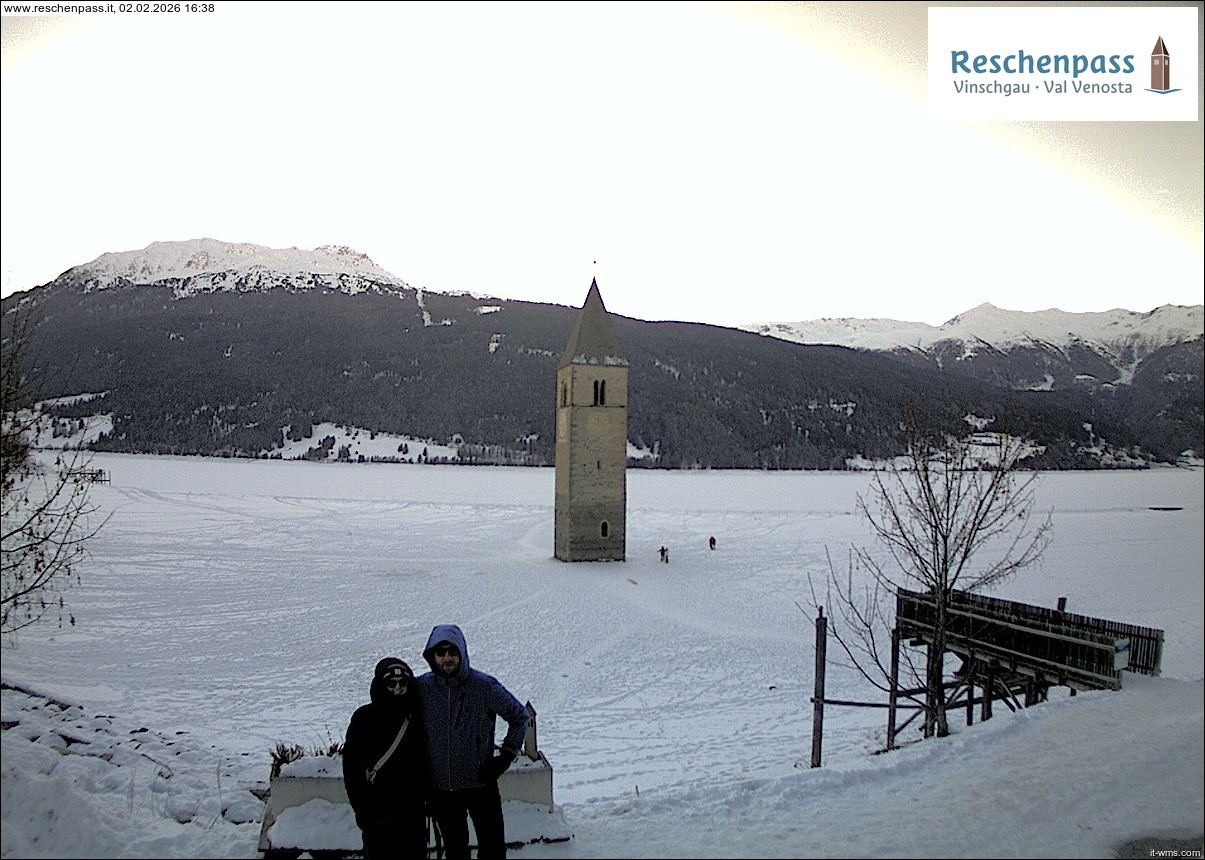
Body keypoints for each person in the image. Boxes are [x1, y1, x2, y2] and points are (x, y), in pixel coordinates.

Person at [417, 624, 529, 860]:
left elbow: (519, 716)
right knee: (456, 852)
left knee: (493, 849)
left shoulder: (484, 686)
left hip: (481, 785)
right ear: (432, 656)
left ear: (462, 653)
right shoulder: (422, 689)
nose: (447, 658)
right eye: (441, 652)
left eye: (453, 652)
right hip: (441, 790)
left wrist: (506, 756)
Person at [343, 657, 430, 860]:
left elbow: (426, 761)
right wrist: (361, 809)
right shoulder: (363, 718)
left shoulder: (417, 716)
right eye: (392, 683)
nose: (398, 688)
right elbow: (352, 769)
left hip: (413, 815)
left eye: (403, 683)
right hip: (377, 816)